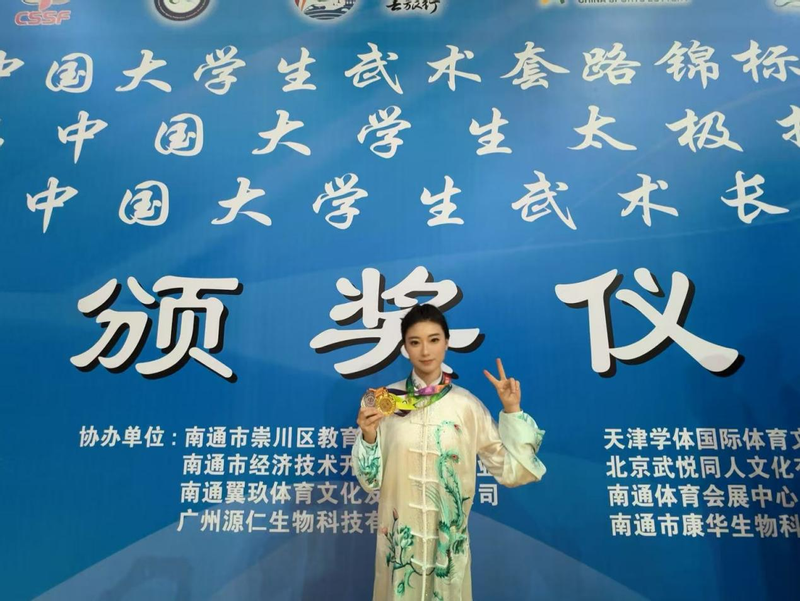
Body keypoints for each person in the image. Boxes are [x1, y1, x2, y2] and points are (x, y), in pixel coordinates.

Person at [352, 303, 546, 601]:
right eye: (415, 342)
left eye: (434, 340)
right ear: (404, 348)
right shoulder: (386, 403)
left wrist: (512, 409)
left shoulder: (467, 407)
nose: (425, 351)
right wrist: (368, 436)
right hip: (400, 557)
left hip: (448, 556)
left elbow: (514, 472)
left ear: (446, 343)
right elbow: (370, 481)